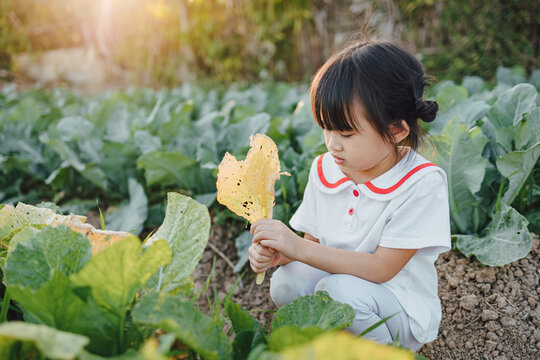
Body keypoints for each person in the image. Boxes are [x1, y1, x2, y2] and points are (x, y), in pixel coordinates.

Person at [248, 39, 451, 351]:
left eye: (346, 133)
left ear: (397, 130)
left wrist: (297, 247)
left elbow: (381, 269)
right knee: (286, 282)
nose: (333, 144)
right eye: (326, 129)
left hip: (395, 308)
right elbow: (311, 245)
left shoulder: (421, 183)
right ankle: (331, 348)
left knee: (337, 293)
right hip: (338, 291)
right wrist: (279, 252)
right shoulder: (324, 169)